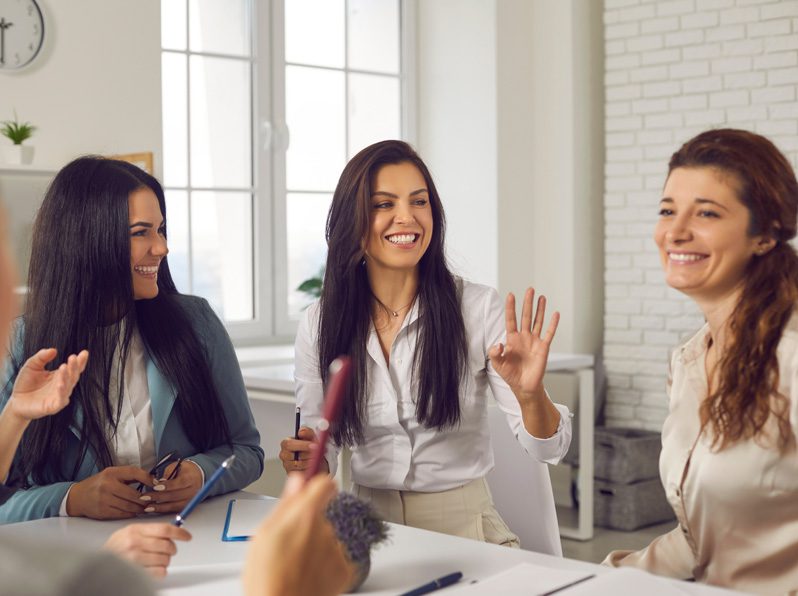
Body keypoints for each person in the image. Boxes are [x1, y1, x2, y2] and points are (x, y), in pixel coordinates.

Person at [279, 140, 571, 547]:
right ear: (354, 221)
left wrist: (531, 394)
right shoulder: (319, 322)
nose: (407, 218)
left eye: (419, 202)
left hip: (467, 531)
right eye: (384, 204)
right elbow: (319, 453)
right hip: (366, 531)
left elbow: (548, 450)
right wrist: (304, 460)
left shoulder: (477, 308)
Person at [0, 156, 264, 523]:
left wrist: (200, 474)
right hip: (75, 561)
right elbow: (4, 500)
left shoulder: (196, 322)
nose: (161, 248)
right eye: (141, 232)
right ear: (88, 240)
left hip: (186, 542)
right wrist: (71, 499)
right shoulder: (21, 345)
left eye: (161, 229)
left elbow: (246, 449)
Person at [604, 129, 798, 594]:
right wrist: (598, 580)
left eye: (706, 213)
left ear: (765, 235)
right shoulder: (690, 360)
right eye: (668, 210)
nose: (675, 231)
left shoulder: (792, 357)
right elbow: (701, 541)